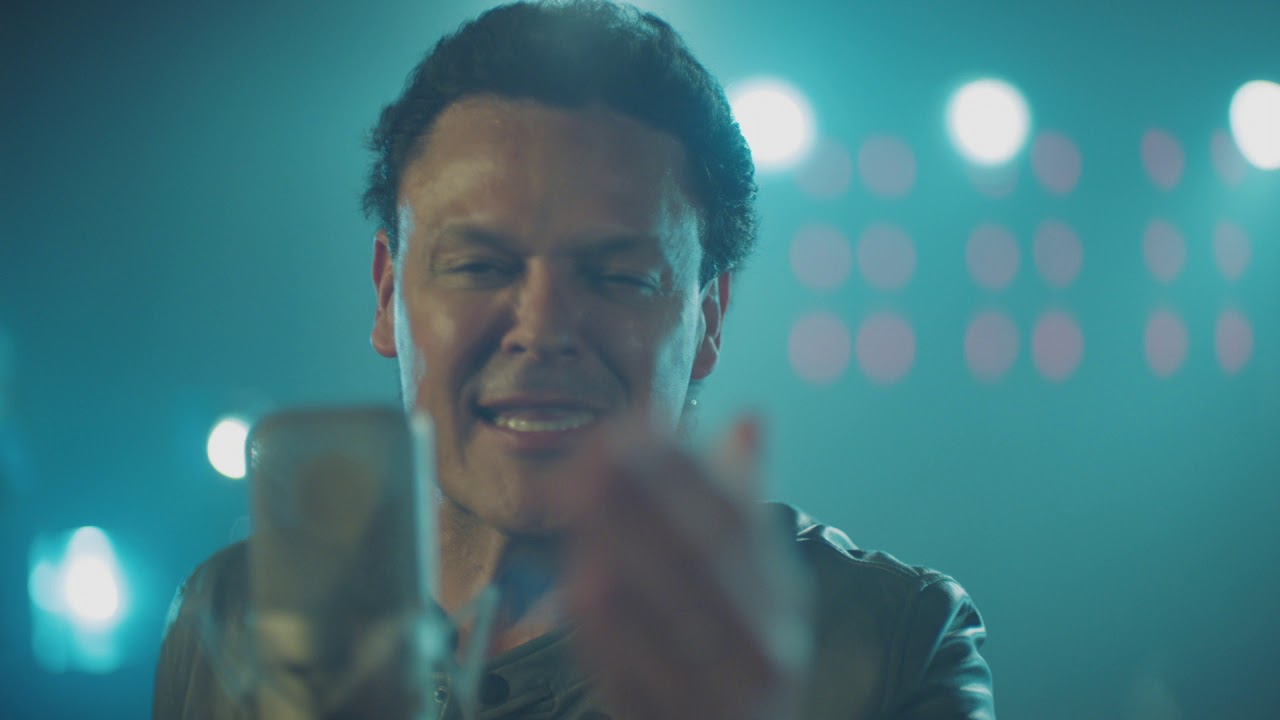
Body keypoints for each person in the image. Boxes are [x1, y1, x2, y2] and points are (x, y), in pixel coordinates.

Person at [152, 2, 995, 718]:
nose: (544, 326)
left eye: (618, 276)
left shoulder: (892, 641)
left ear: (708, 319)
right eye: (480, 266)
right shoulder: (232, 618)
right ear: (387, 293)